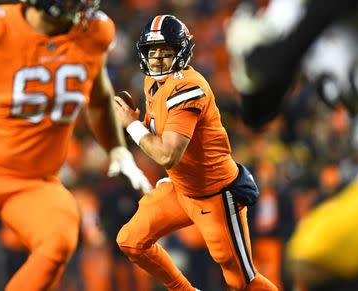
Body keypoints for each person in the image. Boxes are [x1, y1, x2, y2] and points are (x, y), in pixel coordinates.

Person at [226, 0, 358, 290]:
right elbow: (259, 112)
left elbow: (280, 58)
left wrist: (259, 57)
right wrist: (248, 72)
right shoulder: (288, 9)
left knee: (314, 253)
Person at [0, 1, 151, 290]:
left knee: (59, 235)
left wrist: (117, 149)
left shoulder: (92, 33)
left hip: (35, 181)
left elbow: (99, 99)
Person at [113, 14, 278, 291]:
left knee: (242, 283)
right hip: (182, 188)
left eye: (165, 52)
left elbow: (167, 155)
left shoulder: (187, 87)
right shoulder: (153, 82)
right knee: (130, 240)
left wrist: (132, 127)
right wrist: (136, 123)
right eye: (152, 52)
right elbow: (159, 132)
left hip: (214, 194)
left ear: (181, 52)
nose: (157, 60)